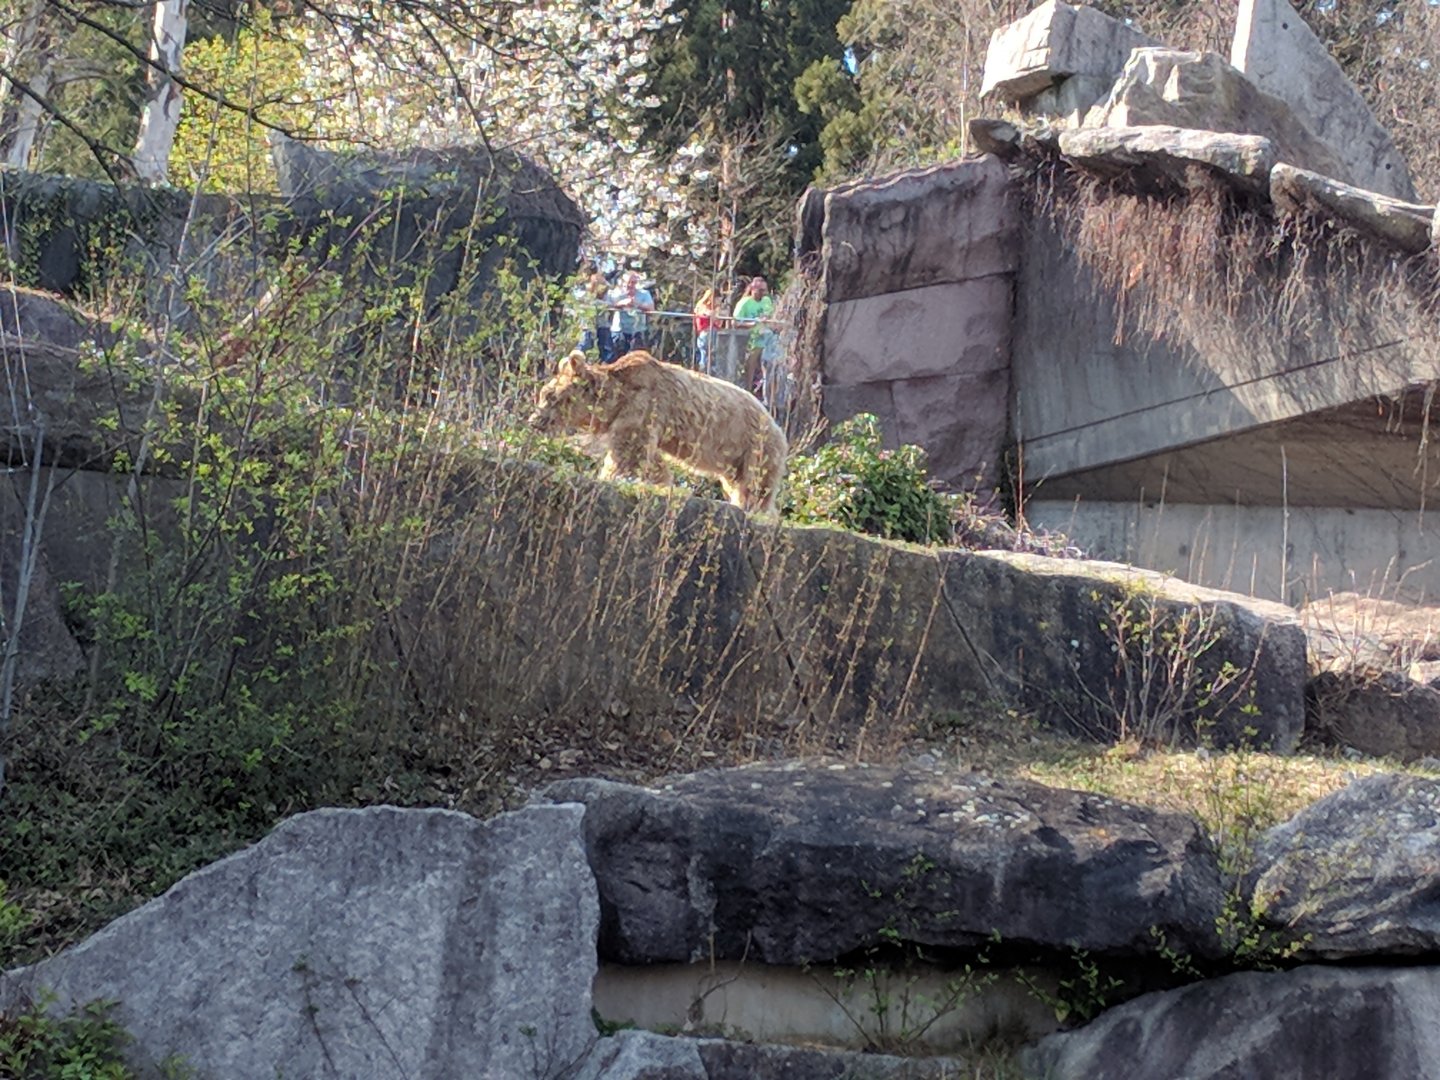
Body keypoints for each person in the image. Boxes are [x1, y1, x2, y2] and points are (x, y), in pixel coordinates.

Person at [731, 275, 777, 396]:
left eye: (765, 290)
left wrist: (769, 321)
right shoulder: (744, 303)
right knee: (750, 368)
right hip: (751, 341)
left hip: (766, 339)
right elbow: (734, 322)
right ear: (753, 289)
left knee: (768, 367)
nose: (763, 293)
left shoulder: (767, 301)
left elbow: (771, 315)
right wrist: (751, 323)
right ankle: (747, 392)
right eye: (761, 290)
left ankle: (766, 394)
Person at [608, 270, 655, 358]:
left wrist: (637, 304)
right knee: (617, 359)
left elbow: (651, 310)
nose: (630, 285)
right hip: (619, 331)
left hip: (637, 332)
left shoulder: (644, 294)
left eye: (633, 283)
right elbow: (608, 307)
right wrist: (621, 304)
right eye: (628, 282)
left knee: (636, 360)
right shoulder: (616, 294)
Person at [576, 271, 614, 363]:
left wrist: (604, 283)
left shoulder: (607, 294)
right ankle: (577, 362)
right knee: (585, 343)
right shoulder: (584, 293)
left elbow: (610, 304)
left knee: (606, 347)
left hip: (603, 324)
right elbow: (582, 301)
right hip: (588, 325)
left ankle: (605, 365)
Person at [692, 287, 722, 372]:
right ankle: (703, 371)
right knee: (705, 355)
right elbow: (706, 313)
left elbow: (718, 322)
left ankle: (709, 370)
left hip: (713, 333)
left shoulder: (715, 308)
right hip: (706, 333)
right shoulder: (702, 306)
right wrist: (712, 314)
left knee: (710, 356)